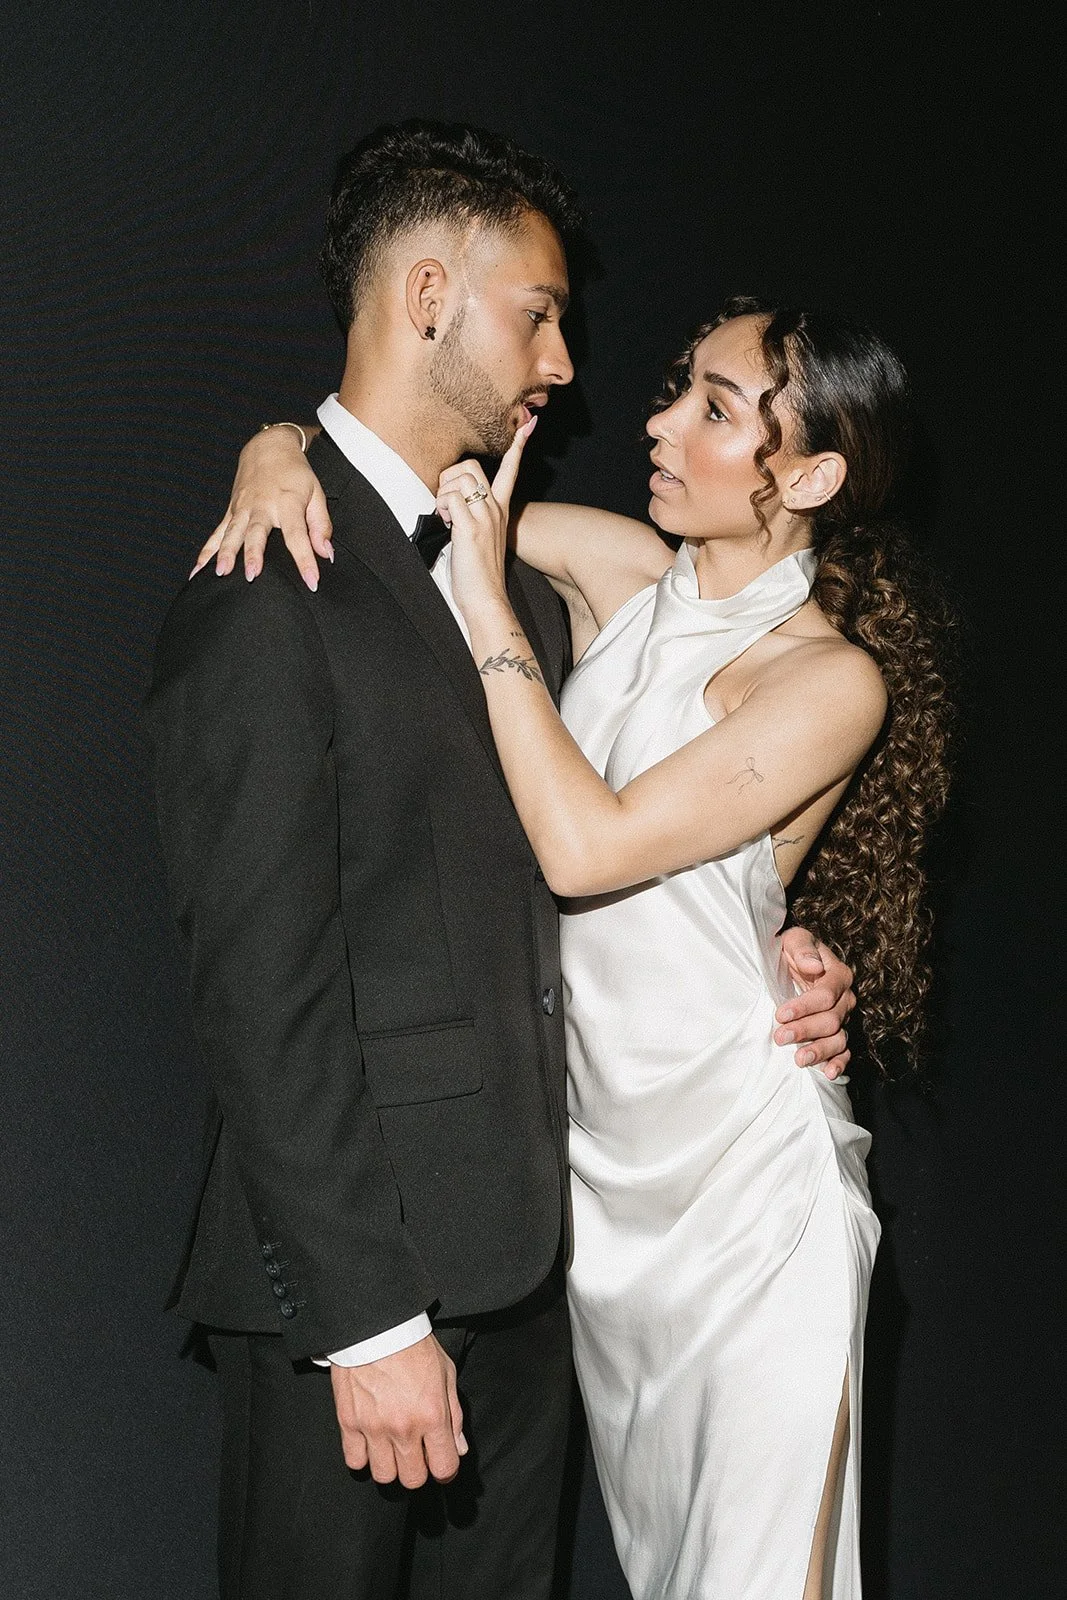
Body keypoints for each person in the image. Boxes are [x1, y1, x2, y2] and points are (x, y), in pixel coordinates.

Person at [146, 121, 855, 1600]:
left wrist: (783, 945)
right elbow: (261, 989)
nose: (568, 368)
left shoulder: (522, 590)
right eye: (538, 315)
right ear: (427, 297)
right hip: (355, 1297)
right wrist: (367, 1320)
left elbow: (620, 851)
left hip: (544, 1265)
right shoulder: (268, 584)